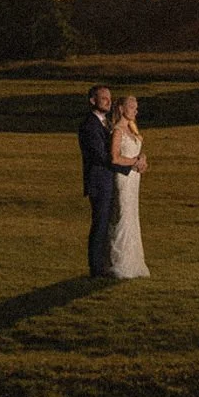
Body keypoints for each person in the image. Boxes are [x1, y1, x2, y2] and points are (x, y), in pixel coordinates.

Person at [77, 83, 130, 277]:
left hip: (108, 179)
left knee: (108, 222)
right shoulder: (89, 125)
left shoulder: (106, 122)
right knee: (100, 224)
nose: (109, 101)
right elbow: (101, 156)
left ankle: (105, 262)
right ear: (93, 101)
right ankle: (96, 268)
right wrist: (128, 165)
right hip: (99, 182)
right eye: (104, 98)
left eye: (110, 97)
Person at [107, 94, 150, 279]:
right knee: (123, 215)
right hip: (123, 178)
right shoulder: (118, 131)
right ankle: (120, 262)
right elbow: (115, 157)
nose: (136, 110)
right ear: (122, 109)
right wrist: (133, 161)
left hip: (134, 178)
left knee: (132, 216)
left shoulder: (132, 129)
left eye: (136, 107)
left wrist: (142, 160)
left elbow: (136, 151)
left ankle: (133, 261)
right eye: (132, 107)